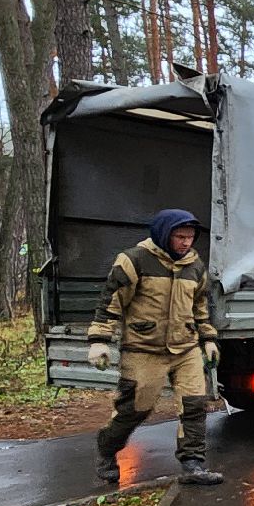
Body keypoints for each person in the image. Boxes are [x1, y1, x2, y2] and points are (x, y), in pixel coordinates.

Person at [86, 208, 224, 486]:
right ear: (164, 234)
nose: (186, 242)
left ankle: (193, 464)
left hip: (184, 349)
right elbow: (111, 301)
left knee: (195, 405)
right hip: (143, 349)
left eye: (190, 237)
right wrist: (99, 340)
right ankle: (107, 448)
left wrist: (208, 339)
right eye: (179, 236)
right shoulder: (133, 261)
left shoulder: (195, 267)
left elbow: (200, 307)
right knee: (135, 409)